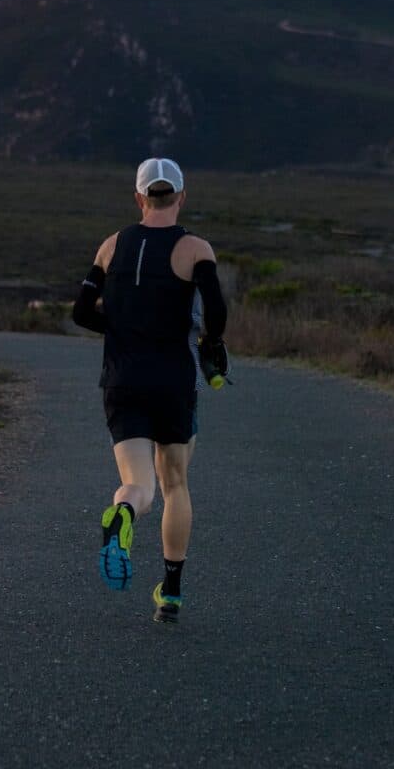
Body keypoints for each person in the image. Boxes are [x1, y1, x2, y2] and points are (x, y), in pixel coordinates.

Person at [72, 158, 228, 624]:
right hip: (172, 379)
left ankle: (122, 515)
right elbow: (216, 315)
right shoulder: (195, 249)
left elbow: (81, 312)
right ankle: (171, 593)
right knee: (175, 483)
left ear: (139, 197)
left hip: (122, 379)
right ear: (181, 196)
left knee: (137, 484)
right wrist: (209, 345)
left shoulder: (111, 245)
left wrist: (121, 329)